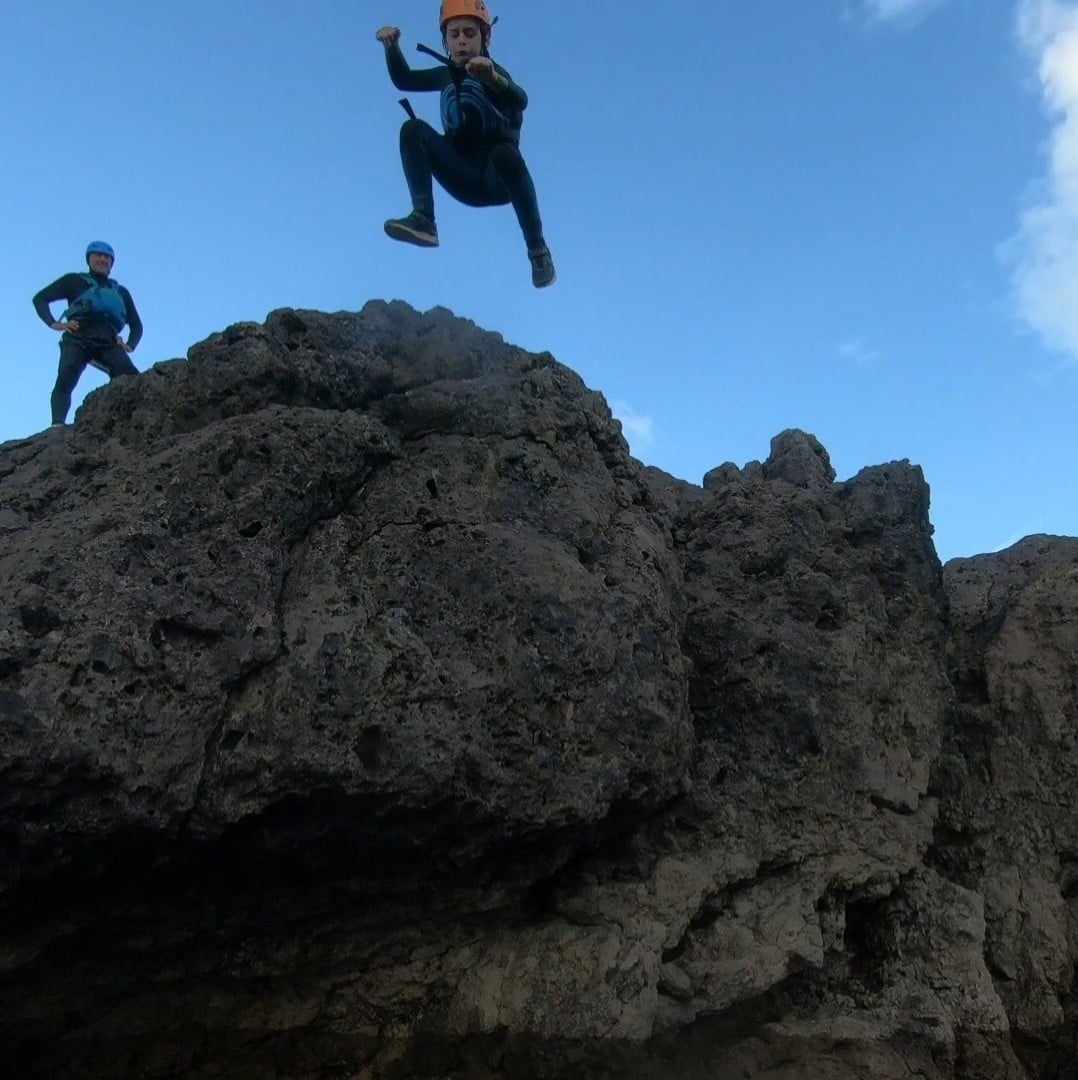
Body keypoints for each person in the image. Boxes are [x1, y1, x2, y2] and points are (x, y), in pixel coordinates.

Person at [376, 1, 556, 288]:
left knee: (505, 152)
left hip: (497, 179)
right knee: (413, 129)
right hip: (462, 174)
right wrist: (391, 47)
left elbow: (520, 100)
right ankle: (424, 218)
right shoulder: (444, 74)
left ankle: (538, 252)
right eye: (454, 34)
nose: (461, 41)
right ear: (445, 40)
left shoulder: (493, 72)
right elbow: (404, 79)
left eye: (470, 34)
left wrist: (493, 78)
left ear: (485, 37)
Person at [32, 241, 142, 428]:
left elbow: (137, 326)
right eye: (98, 255)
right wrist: (54, 323)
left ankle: (117, 421)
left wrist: (129, 345)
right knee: (67, 375)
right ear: (88, 258)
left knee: (129, 375)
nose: (102, 259)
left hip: (108, 339)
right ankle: (57, 425)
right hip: (78, 335)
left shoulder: (121, 292)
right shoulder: (73, 281)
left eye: (107, 257)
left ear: (112, 263)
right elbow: (40, 299)